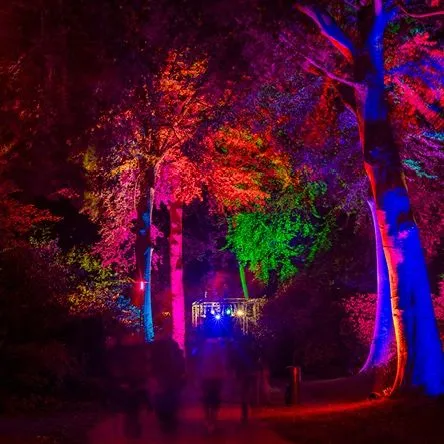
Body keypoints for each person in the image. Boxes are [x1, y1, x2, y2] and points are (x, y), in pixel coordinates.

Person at [150, 338, 186, 434]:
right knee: (171, 398)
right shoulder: (174, 349)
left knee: (163, 398)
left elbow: (153, 364)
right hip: (172, 378)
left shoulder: (158, 350)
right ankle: (169, 420)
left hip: (165, 377)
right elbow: (181, 363)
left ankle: (165, 420)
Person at [199, 335, 229, 433]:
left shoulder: (206, 346)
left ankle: (208, 419)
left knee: (207, 398)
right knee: (215, 398)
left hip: (207, 376)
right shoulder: (219, 347)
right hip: (216, 377)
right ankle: (213, 419)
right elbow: (223, 363)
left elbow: (201, 362)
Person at [229, 333, 258, 424]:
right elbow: (255, 360)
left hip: (243, 373)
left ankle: (245, 413)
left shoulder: (240, 351)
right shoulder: (252, 350)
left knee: (244, 393)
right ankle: (251, 409)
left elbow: (236, 362)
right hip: (251, 373)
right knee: (250, 391)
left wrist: (236, 373)